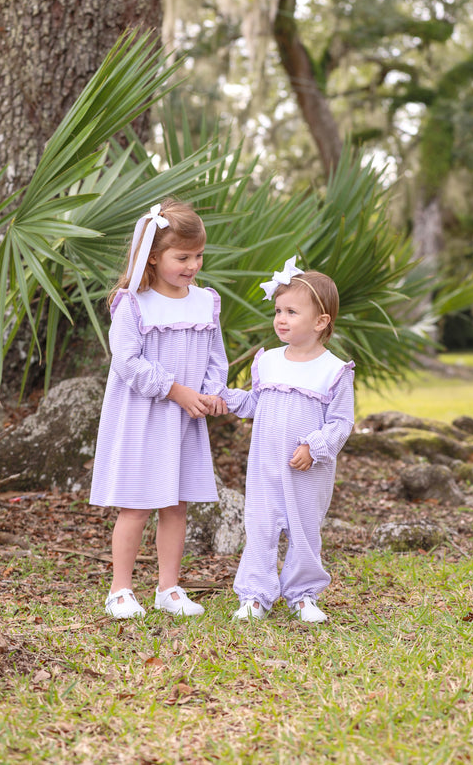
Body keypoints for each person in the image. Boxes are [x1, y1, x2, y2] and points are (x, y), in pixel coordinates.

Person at [90, 198, 228, 619]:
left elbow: (215, 356)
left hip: (184, 420)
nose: (193, 265)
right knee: (137, 504)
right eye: (182, 256)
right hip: (143, 416)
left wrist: (211, 391)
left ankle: (168, 588)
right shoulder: (132, 303)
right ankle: (120, 590)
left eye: (199, 255)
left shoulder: (205, 301)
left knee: (176, 504)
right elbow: (127, 362)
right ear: (153, 256)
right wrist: (176, 390)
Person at [221, 256, 354, 623]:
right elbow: (255, 403)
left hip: (307, 470)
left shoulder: (334, 370)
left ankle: (303, 594)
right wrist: (226, 397)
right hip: (265, 465)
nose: (280, 319)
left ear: (320, 321)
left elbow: (342, 423)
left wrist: (314, 446)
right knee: (261, 527)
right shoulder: (268, 361)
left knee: (304, 529)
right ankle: (255, 595)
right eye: (278, 310)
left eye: (292, 312)